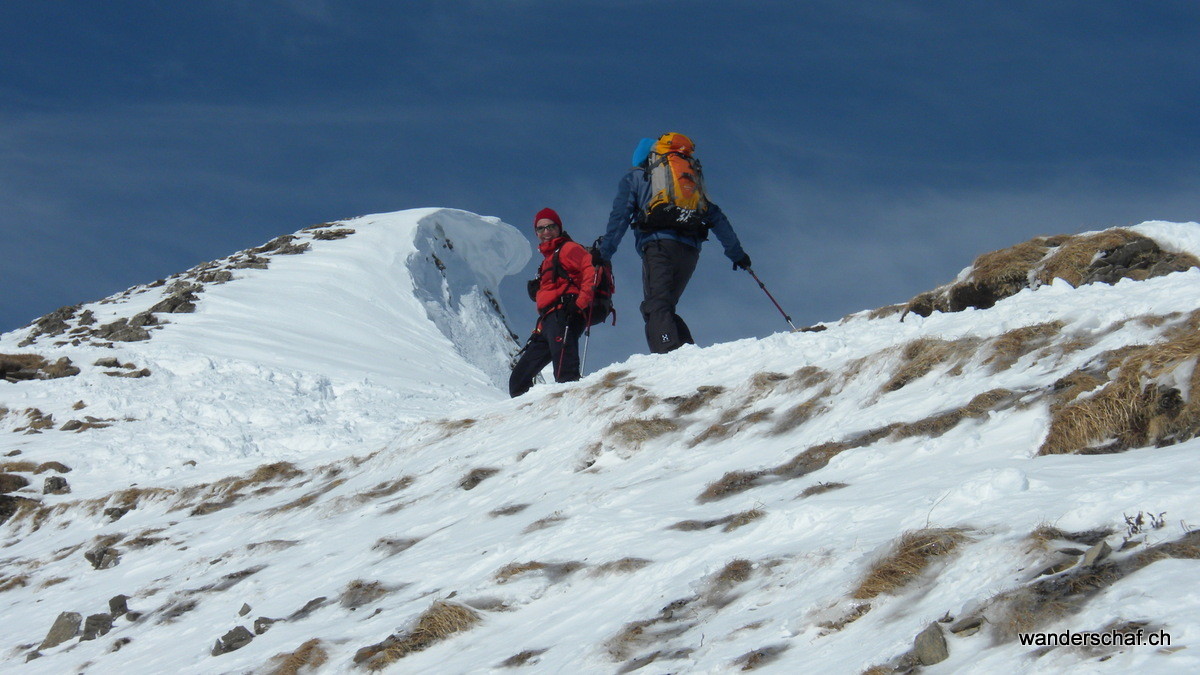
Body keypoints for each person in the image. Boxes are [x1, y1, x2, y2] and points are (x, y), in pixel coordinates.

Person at [597, 133, 751, 354]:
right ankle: (685, 350)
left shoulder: (637, 178)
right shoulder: (687, 179)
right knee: (664, 305)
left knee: (655, 305)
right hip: (690, 249)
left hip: (658, 244)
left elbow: (620, 217)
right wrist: (737, 254)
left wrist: (605, 253)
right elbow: (715, 215)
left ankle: (669, 352)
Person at [509, 207, 596, 397]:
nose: (546, 232)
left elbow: (590, 272)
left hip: (564, 314)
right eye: (541, 229)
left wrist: (580, 303)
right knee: (518, 380)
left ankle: (573, 416)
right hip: (547, 321)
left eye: (550, 227)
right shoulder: (548, 259)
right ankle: (534, 422)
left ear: (559, 228)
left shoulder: (569, 248)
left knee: (566, 375)